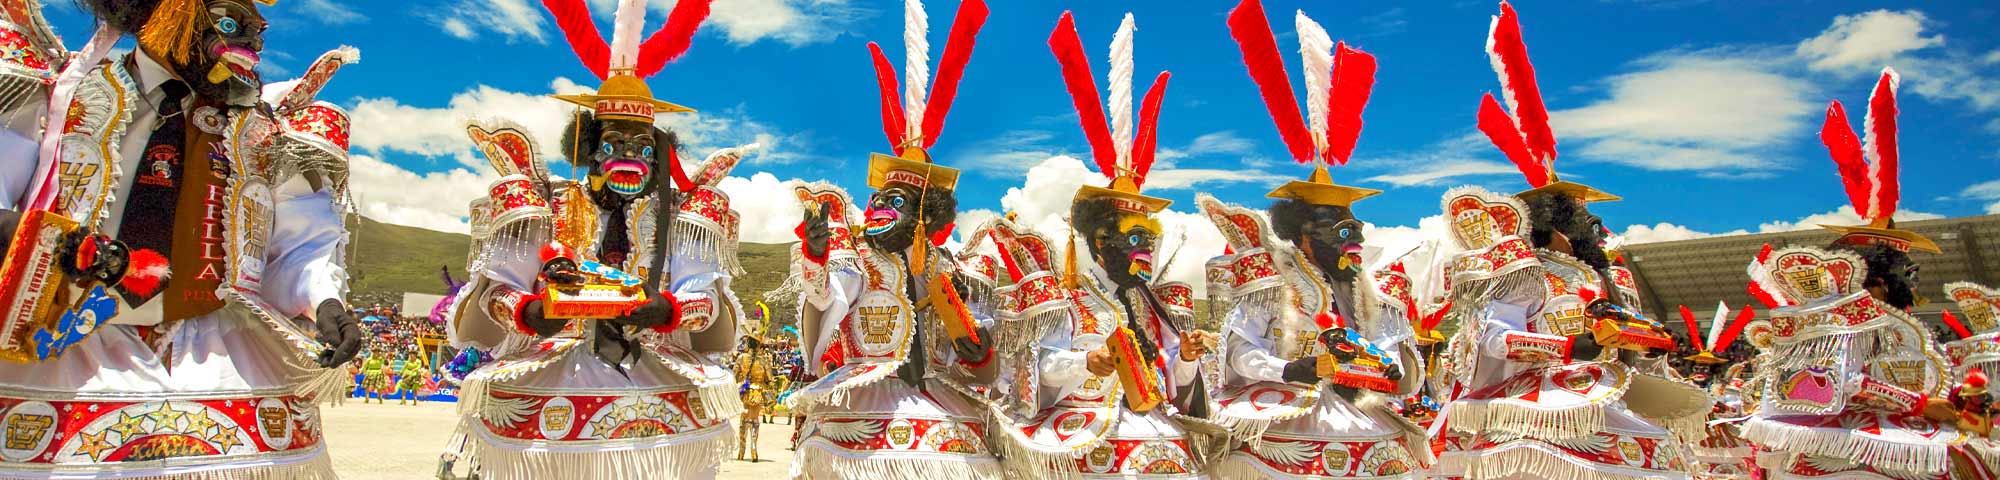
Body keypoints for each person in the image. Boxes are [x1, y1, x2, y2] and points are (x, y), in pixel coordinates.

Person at [0, 1, 362, 476]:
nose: (252, 42)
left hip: (211, 346)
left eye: (259, 30)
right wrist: (25, 236)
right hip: (60, 335)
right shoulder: (62, 92)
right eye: (232, 22)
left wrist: (323, 299)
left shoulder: (261, 129)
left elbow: (292, 244)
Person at [438, 1, 753, 478]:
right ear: (587, 149)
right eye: (614, 145)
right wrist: (527, 311)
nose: (630, 157)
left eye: (644, 148)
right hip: (552, 373)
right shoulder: (545, 204)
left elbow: (705, 296)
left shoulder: (684, 214)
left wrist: (670, 310)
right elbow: (497, 290)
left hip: (656, 376)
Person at [1428, 4, 1712, 479]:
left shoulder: (1605, 277)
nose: (1593, 229)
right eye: (1582, 219)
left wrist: (1649, 344)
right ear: (1555, 226)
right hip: (1536, 404)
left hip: (1604, 394)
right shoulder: (1520, 269)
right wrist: (1567, 348)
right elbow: (1493, 339)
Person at [1199, 3, 1429, 477]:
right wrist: (1291, 370)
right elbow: (1239, 351)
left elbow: (1399, 361)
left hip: (1367, 416)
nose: (1356, 239)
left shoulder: (1376, 293)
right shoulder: (1269, 281)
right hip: (1290, 411)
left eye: (1357, 229)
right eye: (1342, 231)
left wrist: (1391, 364)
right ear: (1306, 237)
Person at [776, 1, 1000, 478]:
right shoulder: (856, 256)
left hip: (938, 397)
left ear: (924, 216)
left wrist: (977, 347)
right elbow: (825, 298)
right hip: (865, 400)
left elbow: (976, 341)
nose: (878, 209)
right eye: (879, 198)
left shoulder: (949, 266)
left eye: (895, 203)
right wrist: (815, 256)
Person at [1737, 67, 1993, 479]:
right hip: (1850, 441)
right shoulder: (1839, 315)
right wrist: (1919, 405)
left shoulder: (1888, 318)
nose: (1909, 281)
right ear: (1879, 274)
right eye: (1900, 271)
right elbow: (1831, 380)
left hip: (1893, 430)